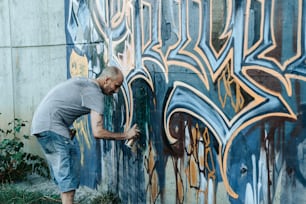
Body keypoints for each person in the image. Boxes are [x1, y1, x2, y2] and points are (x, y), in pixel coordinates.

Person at [31, 66, 140, 204]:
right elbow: (98, 132)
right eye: (116, 85)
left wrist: (65, 127)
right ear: (106, 80)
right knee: (68, 179)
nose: (116, 91)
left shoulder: (85, 83)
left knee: (66, 176)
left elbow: (60, 103)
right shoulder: (95, 93)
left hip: (43, 126)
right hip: (52, 128)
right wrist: (126, 135)